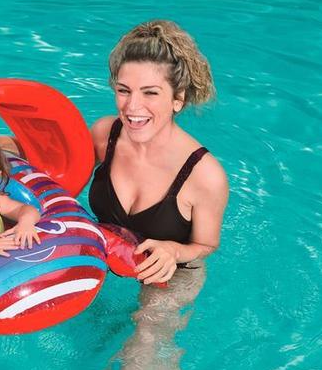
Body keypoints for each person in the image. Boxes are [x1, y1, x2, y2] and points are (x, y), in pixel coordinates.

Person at [89, 19, 229, 284]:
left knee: (148, 326)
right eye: (123, 90)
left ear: (179, 99)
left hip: (171, 271)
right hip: (106, 248)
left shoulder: (205, 175)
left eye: (150, 93)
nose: (132, 107)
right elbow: (62, 170)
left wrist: (173, 251)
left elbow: (206, 245)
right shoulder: (105, 134)